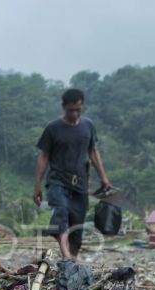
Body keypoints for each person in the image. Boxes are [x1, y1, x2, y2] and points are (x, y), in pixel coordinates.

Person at [33, 89, 111, 260]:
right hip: (57, 181)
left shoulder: (88, 126)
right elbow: (43, 156)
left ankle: (72, 260)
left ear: (82, 107)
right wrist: (37, 185)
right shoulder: (53, 128)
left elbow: (93, 152)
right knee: (60, 213)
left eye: (78, 110)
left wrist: (104, 178)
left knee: (77, 225)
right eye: (71, 110)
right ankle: (66, 255)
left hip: (80, 184)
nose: (75, 114)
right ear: (63, 107)